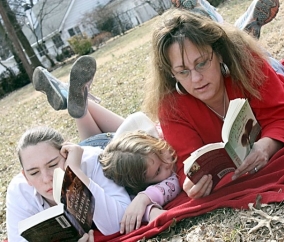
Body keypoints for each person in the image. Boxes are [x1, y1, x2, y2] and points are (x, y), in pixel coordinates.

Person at [142, 8, 284, 199]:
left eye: (201, 63)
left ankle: (230, 25)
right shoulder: (170, 105)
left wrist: (266, 146)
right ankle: (223, 23)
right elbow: (185, 164)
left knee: (266, 60)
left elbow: (280, 117)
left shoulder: (248, 63)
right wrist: (191, 183)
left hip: (274, 73)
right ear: (171, 74)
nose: (197, 78)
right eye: (183, 71)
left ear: (219, 53)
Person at [27, 56, 181, 233]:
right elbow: (140, 204)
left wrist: (147, 203)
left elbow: (137, 122)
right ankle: (72, 98)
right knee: (88, 123)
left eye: (163, 153)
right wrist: (149, 206)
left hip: (113, 144)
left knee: (89, 118)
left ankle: (69, 96)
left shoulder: (153, 142)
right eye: (159, 171)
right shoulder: (134, 179)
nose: (168, 162)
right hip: (100, 153)